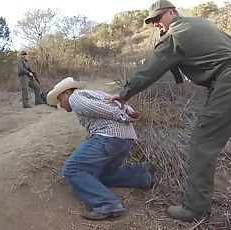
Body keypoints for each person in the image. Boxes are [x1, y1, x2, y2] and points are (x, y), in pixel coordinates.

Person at [109, 0, 231, 222]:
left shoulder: (175, 35)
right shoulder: (201, 23)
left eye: (158, 18)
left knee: (202, 143)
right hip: (223, 80)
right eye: (152, 21)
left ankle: (195, 208)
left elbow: (150, 69)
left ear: (172, 12)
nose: (156, 24)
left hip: (227, 81)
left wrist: (125, 93)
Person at [47, 77, 154, 220]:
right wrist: (127, 113)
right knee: (99, 175)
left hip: (108, 137)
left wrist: (121, 116)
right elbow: (122, 103)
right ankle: (141, 174)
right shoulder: (97, 94)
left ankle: (107, 204)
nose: (61, 105)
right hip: (126, 139)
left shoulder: (75, 97)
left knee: (72, 169)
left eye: (60, 100)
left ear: (66, 93)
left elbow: (94, 108)